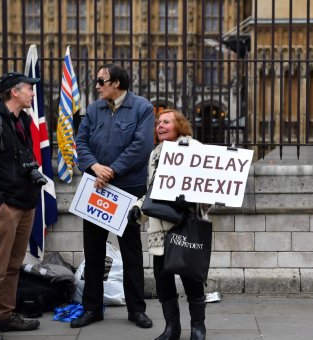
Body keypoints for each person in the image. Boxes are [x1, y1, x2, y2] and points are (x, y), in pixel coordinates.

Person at [71, 63, 155, 329]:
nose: (97, 85)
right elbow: (80, 142)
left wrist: (112, 171)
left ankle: (136, 310)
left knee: (131, 252)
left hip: (128, 190)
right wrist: (95, 167)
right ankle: (92, 308)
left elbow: (141, 146)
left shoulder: (142, 108)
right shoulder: (94, 110)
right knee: (93, 251)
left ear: (116, 83)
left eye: (101, 80)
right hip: (95, 188)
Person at [0, 72, 45, 340]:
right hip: (5, 206)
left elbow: (22, 159)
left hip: (26, 203)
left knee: (14, 265)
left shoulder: (23, 120)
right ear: (14, 92)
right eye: (29, 89)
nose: (33, 93)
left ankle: (5, 315)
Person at [129, 108, 212, 340]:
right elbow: (151, 191)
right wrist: (138, 209)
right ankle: (172, 329)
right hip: (159, 229)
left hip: (187, 225)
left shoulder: (194, 149)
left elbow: (209, 187)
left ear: (180, 125)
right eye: (158, 122)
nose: (160, 126)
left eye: (166, 122)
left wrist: (194, 199)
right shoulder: (155, 153)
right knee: (163, 281)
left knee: (192, 279)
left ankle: (198, 328)